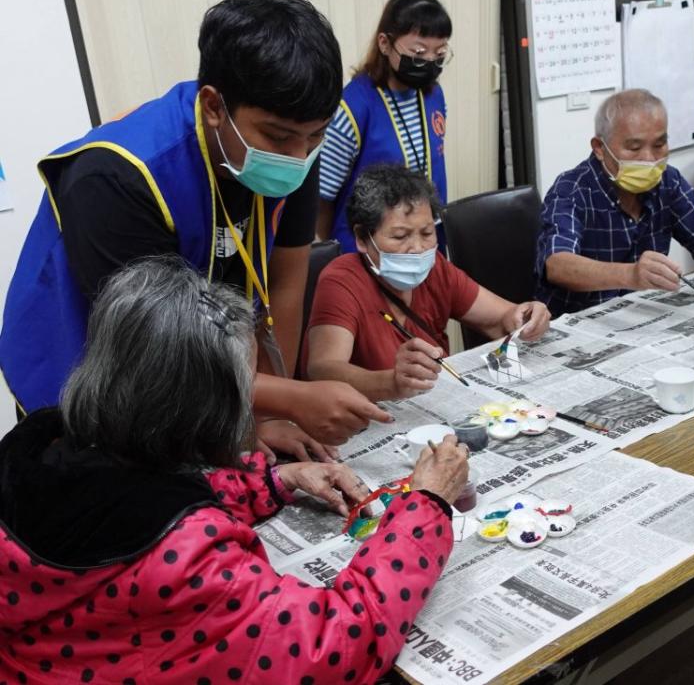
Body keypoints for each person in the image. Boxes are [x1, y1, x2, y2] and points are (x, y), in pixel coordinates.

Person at [0, 258, 469, 683]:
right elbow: (339, 644)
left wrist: (274, 479)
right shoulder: (185, 563)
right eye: (245, 390)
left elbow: (131, 499)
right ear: (200, 412)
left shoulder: (41, 453)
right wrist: (426, 505)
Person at [0, 0, 390, 462]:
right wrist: (288, 399)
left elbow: (285, 285)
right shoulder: (117, 177)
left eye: (314, 137)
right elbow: (151, 353)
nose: (298, 156)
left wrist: (270, 412)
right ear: (213, 107)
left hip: (203, 366)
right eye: (279, 136)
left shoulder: (296, 150)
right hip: (89, 363)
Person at [304, 165, 551, 401]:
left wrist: (525, 316)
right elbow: (323, 369)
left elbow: (500, 319)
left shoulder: (435, 269)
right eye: (400, 236)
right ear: (361, 238)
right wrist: (390, 383)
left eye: (426, 233)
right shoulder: (341, 281)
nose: (417, 249)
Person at [535, 89, 694, 317]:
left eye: (659, 144)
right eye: (634, 148)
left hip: (641, 315)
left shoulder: (667, 181)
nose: (649, 158)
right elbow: (558, 265)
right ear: (600, 148)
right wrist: (630, 275)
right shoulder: (571, 189)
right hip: (580, 322)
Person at [316, 0, 452, 252]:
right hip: (367, 251)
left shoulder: (434, 96)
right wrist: (333, 256)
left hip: (425, 242)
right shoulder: (352, 107)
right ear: (385, 43)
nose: (430, 63)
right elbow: (322, 198)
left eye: (440, 53)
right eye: (419, 52)